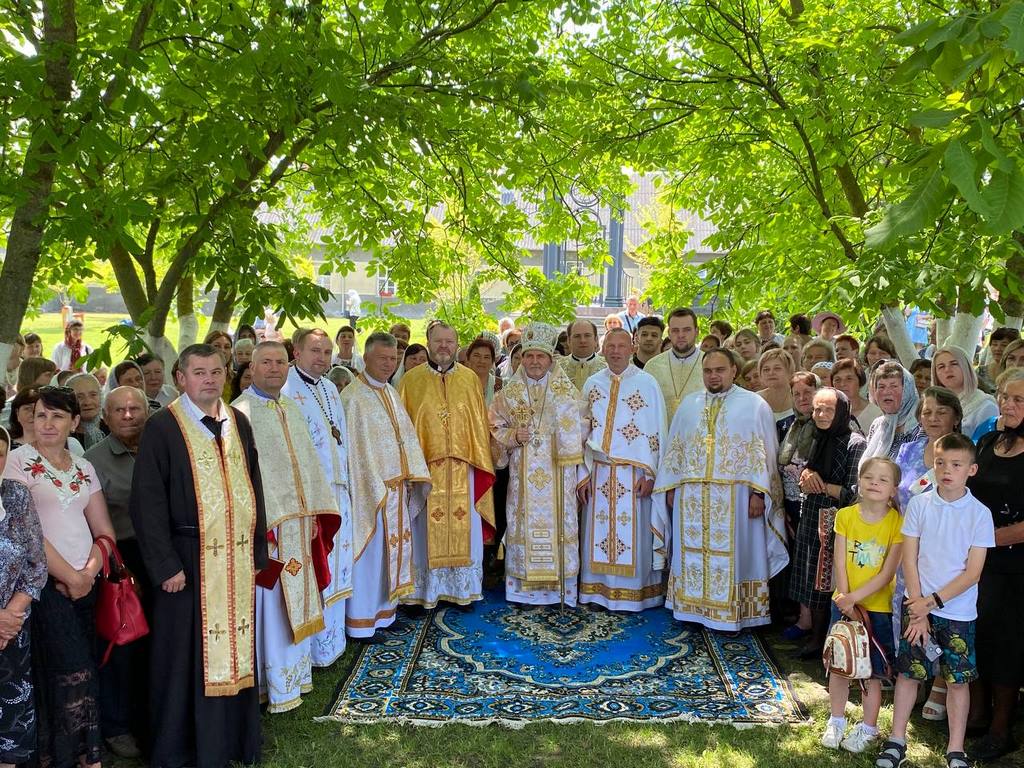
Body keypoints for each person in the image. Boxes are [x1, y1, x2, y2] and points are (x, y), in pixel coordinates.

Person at [129, 344, 268, 768]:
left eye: (216, 372)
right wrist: (165, 565)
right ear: (181, 378)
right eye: (199, 372)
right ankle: (182, 748)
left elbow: (254, 485)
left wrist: (257, 548)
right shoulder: (163, 427)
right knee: (183, 657)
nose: (209, 379)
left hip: (235, 559)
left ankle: (231, 741)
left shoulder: (236, 422)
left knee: (236, 649)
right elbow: (146, 503)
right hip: (186, 561)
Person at [4, 386, 116, 768]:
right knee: (71, 669)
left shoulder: (83, 466)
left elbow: (104, 531)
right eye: (40, 415)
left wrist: (88, 573)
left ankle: (77, 752)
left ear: (74, 421)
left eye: (56, 416)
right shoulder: (17, 462)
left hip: (87, 583)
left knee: (83, 668)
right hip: (42, 586)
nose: (47, 423)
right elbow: (25, 531)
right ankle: (77, 758)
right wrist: (70, 575)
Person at [232, 342, 341, 714]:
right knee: (271, 604)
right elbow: (243, 477)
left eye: (280, 361)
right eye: (266, 362)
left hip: (299, 522)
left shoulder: (290, 405)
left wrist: (313, 513)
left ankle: (297, 677)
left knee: (297, 598)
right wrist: (263, 523)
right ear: (252, 366)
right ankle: (271, 684)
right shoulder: (239, 412)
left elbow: (307, 464)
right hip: (270, 529)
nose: (275, 368)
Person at [874, 433, 993, 768]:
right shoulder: (921, 505)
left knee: (957, 681)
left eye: (956, 464)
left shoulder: (979, 514)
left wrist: (932, 602)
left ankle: (956, 749)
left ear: (971, 469)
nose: (946, 470)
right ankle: (897, 740)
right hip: (916, 606)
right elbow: (908, 559)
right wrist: (918, 607)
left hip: (957, 611)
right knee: (909, 674)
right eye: (940, 463)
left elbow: (973, 572)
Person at [653, 349, 788, 631]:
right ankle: (692, 611)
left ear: (733, 371)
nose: (713, 375)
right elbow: (675, 450)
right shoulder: (689, 405)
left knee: (736, 556)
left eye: (719, 370)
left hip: (736, 499)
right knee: (692, 554)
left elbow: (767, 455)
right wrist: (670, 487)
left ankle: (734, 615)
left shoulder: (754, 405)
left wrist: (758, 494)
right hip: (691, 497)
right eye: (708, 371)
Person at [399, 320, 496, 608]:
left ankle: (462, 591)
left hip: (463, 468)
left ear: (456, 345)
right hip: (425, 471)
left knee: (465, 528)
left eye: (449, 342)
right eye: (438, 341)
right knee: (423, 532)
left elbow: (478, 427)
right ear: (428, 342)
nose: (444, 347)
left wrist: (479, 460)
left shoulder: (469, 380)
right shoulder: (411, 381)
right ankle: (423, 593)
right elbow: (405, 428)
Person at [341, 332, 430, 637]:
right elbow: (355, 452)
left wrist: (412, 474)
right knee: (370, 558)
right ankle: (362, 622)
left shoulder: (390, 392)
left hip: (397, 490)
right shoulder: (353, 397)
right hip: (372, 492)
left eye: (393, 359)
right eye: (382, 359)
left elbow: (405, 436)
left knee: (389, 556)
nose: (388, 364)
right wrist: (372, 486)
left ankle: (386, 614)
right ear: (365, 358)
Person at [490, 323, 582, 606]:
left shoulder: (567, 393)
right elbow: (493, 426)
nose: (534, 362)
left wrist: (565, 435)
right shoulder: (509, 393)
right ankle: (522, 591)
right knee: (522, 524)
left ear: (551, 359)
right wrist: (513, 436)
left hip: (558, 476)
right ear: (522, 358)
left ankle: (560, 592)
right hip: (522, 477)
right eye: (529, 356)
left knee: (559, 527)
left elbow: (586, 425)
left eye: (540, 356)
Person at [83, 386, 151, 758]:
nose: (128, 415)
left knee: (155, 643)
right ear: (105, 418)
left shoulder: (161, 448)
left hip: (160, 555)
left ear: (147, 411)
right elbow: (97, 526)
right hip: (119, 560)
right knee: (121, 643)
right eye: (119, 410)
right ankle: (117, 726)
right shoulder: (94, 461)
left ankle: (149, 717)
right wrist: (122, 570)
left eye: (135, 408)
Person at [578, 328, 666, 611]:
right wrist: (582, 475)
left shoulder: (648, 383)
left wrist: (651, 475)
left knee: (635, 538)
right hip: (599, 471)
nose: (615, 351)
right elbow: (580, 433)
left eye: (621, 346)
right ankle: (597, 593)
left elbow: (657, 433)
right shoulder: (592, 384)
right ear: (603, 350)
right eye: (610, 346)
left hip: (635, 476)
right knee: (597, 533)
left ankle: (636, 595)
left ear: (632, 348)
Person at [820, 457, 903, 754]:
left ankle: (868, 727)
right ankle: (837, 719)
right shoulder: (845, 516)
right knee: (840, 665)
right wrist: (845, 597)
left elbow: (887, 573)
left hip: (876, 608)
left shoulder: (897, 523)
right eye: (869, 477)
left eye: (882, 480)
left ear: (894, 489)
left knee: (871, 671)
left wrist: (856, 599)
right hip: (842, 603)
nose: (875, 483)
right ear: (860, 481)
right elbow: (840, 560)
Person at [281, 329, 353, 668]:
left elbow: (341, 437)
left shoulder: (329, 388)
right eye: (314, 350)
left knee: (338, 567)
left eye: (326, 351)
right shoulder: (285, 389)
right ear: (296, 352)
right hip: (311, 499)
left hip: (339, 492)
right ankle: (309, 649)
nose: (321, 357)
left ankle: (331, 644)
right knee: (316, 570)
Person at [964, 369, 1024, 762]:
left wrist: (984, 539)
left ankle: (1002, 730)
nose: (1008, 405)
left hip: (1014, 568)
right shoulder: (986, 442)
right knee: (978, 638)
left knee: (1007, 648)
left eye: (1019, 400)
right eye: (1004, 396)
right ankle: (979, 715)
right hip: (976, 563)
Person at [788, 387, 866, 658]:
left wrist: (822, 486)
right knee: (811, 577)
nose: (821, 414)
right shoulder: (817, 437)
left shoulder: (855, 443)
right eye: (817, 408)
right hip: (812, 514)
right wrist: (807, 475)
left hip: (837, 520)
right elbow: (805, 470)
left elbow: (855, 493)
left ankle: (826, 642)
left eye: (828, 409)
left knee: (827, 580)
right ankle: (815, 637)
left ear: (842, 411)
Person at [0, 425, 48, 768]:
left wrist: (11, 616)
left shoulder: (15, 494)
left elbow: (36, 562)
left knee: (12, 710)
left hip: (13, 628)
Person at [644, 308, 704, 418]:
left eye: (686, 330)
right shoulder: (652, 367)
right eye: (675, 330)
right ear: (669, 333)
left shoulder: (709, 365)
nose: (681, 335)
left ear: (697, 332)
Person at [861, 362, 922, 465]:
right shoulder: (877, 425)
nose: (886, 392)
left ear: (907, 390)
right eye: (881, 387)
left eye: (894, 386)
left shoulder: (921, 427)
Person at [931, 346, 998, 439]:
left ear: (966, 367)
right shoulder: (931, 404)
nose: (947, 370)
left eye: (954, 364)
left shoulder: (985, 406)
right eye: (941, 367)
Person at [832, 358, 881, 435]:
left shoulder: (876, 414)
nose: (842, 384)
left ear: (860, 382)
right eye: (837, 380)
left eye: (849, 379)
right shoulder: (827, 412)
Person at [757, 348, 796, 443]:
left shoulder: (799, 397)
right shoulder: (755, 400)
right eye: (766, 369)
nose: (771, 373)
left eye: (777, 368)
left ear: (790, 372)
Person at [560, 320, 607, 391]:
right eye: (577, 336)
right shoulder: (557, 368)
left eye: (587, 335)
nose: (582, 340)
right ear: (569, 341)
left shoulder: (608, 367)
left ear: (596, 340)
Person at [69, 373, 108, 450]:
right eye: (79, 397)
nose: (87, 402)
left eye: (93, 395)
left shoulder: (112, 429)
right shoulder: (64, 436)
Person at [976, 328, 1020, 394]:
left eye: (1004, 345)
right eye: (994, 344)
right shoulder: (980, 371)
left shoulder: (1018, 375)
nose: (998, 348)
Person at [465, 337, 499, 407]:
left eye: (486, 357)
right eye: (477, 356)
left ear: (492, 361)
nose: (481, 361)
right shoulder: (458, 384)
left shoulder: (501, 385)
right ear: (468, 358)